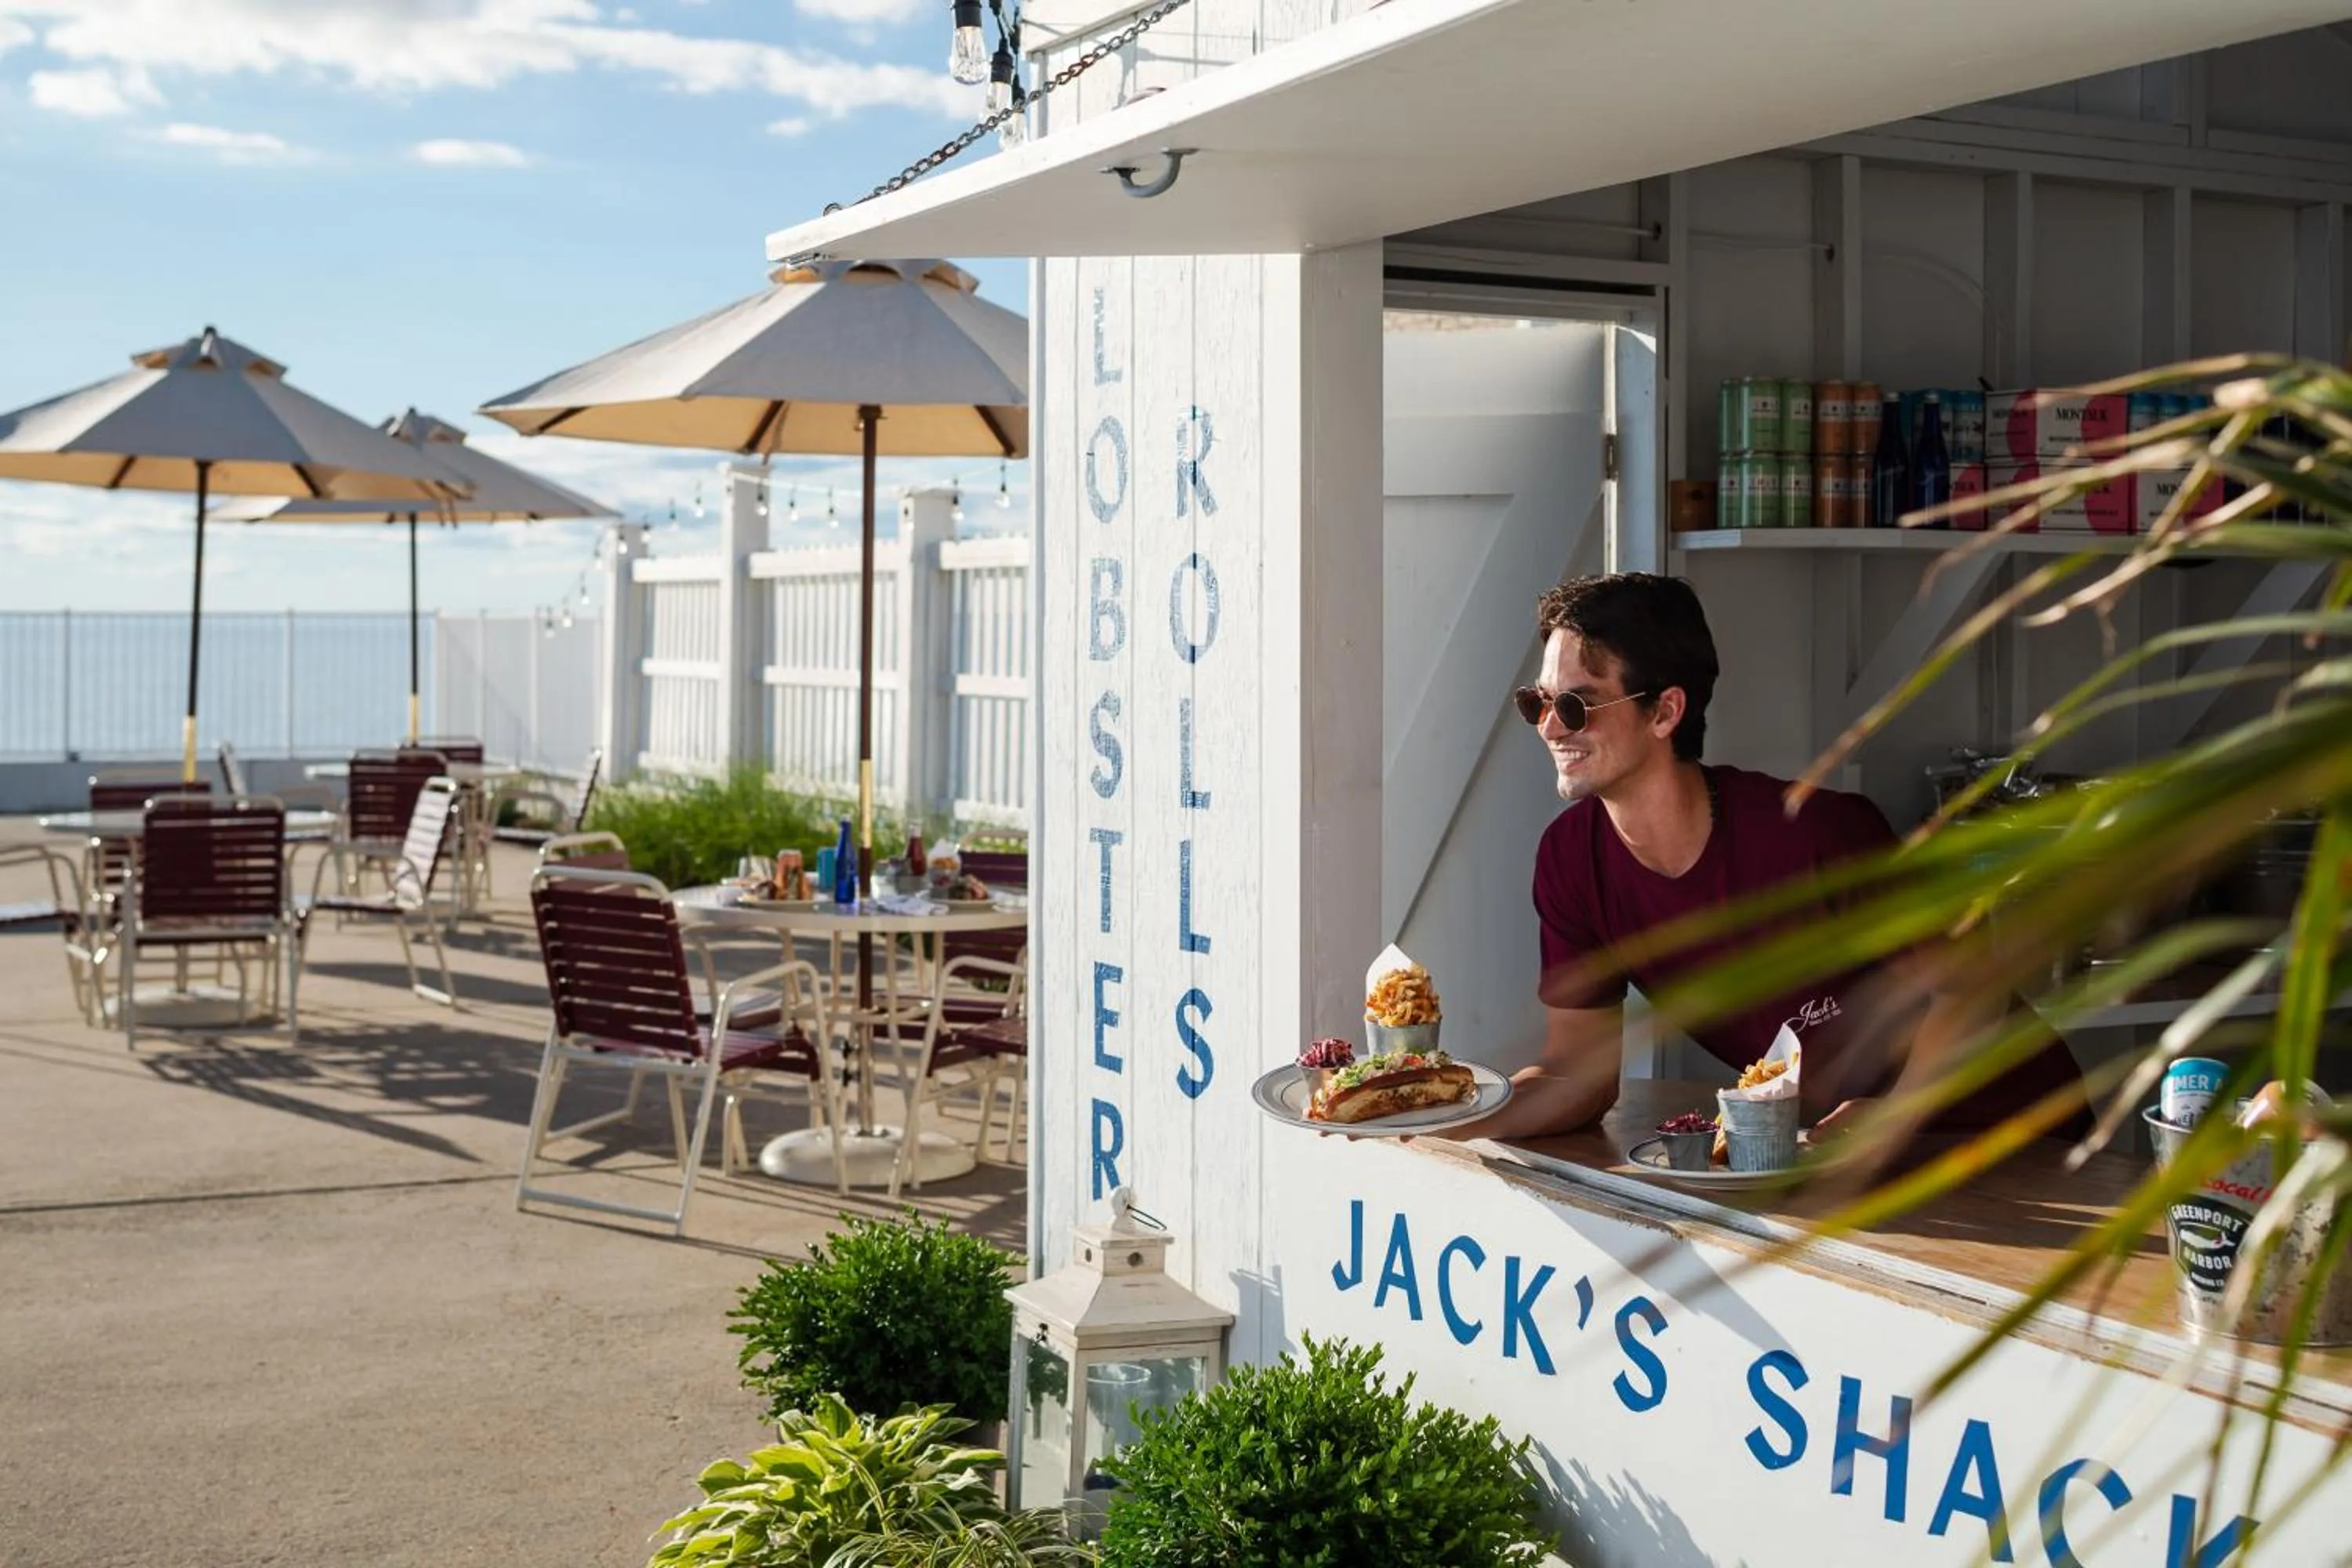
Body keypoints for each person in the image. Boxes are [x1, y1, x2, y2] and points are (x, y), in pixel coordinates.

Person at [1453, 572, 2085, 1142]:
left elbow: (1973, 988)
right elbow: (1576, 1074)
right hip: (1852, 1155)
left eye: (1576, 705)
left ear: (1666, 711)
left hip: (2019, 1134)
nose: (1550, 728)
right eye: (1537, 703)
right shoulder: (1571, 860)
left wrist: (1896, 1115)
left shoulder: (1815, 833)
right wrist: (1444, 1120)